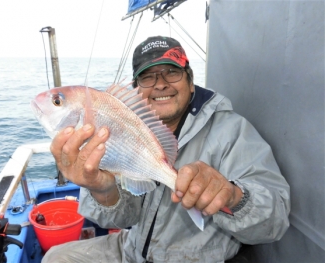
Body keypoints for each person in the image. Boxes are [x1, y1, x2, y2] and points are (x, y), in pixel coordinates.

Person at [42, 36, 290, 263]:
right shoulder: (117, 125)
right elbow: (121, 220)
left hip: (197, 259)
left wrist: (234, 196)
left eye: (171, 72)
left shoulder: (231, 130)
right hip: (133, 250)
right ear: (136, 89)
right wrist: (101, 187)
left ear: (191, 82)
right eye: (148, 77)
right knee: (56, 257)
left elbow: (275, 223)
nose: (160, 84)